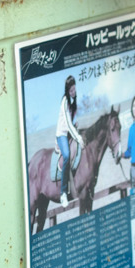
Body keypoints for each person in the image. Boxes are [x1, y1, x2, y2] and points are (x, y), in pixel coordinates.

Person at [56, 75, 84, 207]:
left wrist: (76, 126)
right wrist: (77, 137)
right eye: (71, 90)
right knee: (66, 155)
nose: (73, 91)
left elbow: (72, 122)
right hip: (62, 134)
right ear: (67, 90)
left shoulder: (74, 101)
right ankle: (63, 193)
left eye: (74, 89)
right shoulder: (64, 102)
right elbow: (67, 124)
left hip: (69, 133)